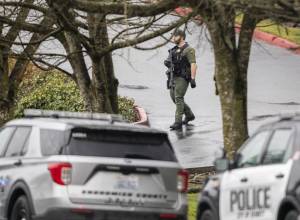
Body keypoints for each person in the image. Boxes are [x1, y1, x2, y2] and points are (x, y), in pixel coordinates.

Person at [164, 29, 197, 130]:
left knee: (178, 97)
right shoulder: (173, 50)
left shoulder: (188, 49)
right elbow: (168, 62)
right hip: (173, 76)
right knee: (173, 97)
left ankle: (177, 122)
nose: (173, 38)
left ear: (181, 37)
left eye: (175, 36)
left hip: (183, 77)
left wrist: (192, 78)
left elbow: (193, 64)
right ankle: (189, 115)